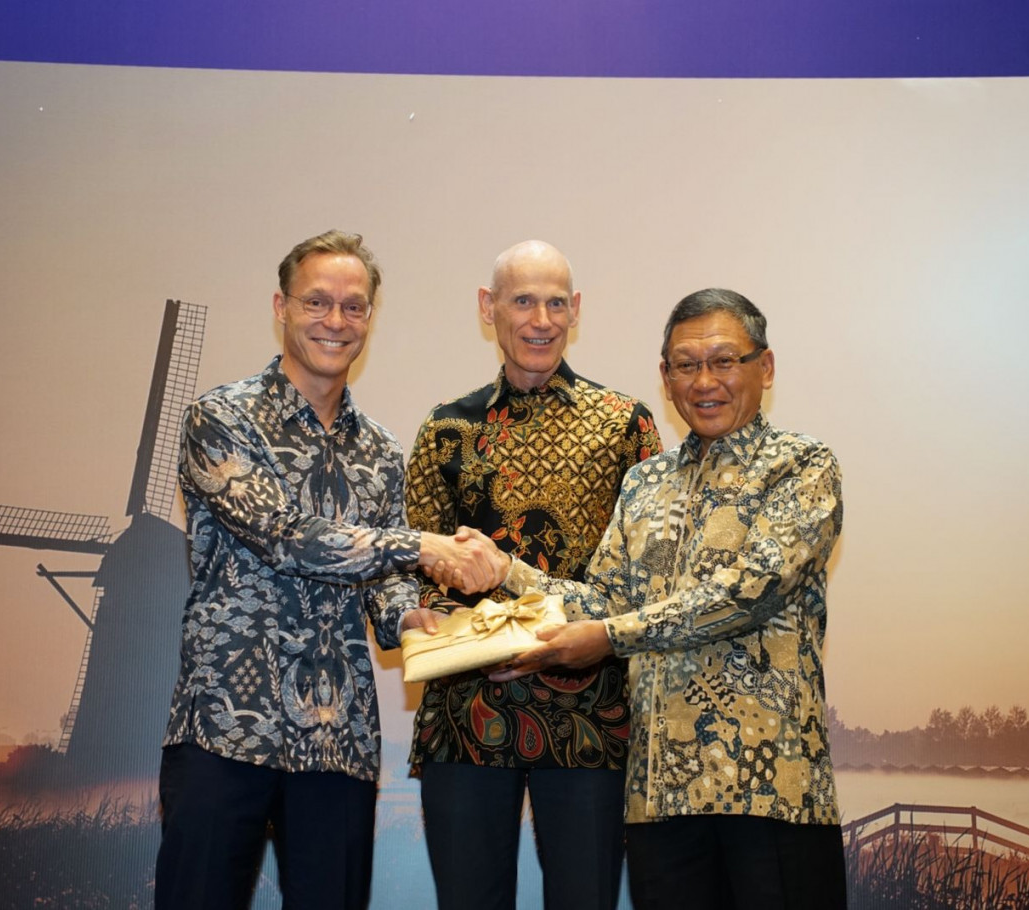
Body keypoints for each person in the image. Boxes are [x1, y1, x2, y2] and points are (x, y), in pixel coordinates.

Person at [155, 230, 499, 910]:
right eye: (318, 302)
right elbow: (286, 539)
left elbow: (382, 580)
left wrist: (411, 616)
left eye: (353, 306)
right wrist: (424, 546)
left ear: (370, 317)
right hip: (226, 728)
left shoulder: (380, 449)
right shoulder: (219, 419)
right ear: (280, 306)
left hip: (337, 741)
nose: (335, 322)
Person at [485, 288, 847, 909]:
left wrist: (609, 637)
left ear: (765, 366)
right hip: (659, 798)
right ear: (665, 377)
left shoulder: (803, 466)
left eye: (724, 361)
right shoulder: (644, 483)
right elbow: (602, 599)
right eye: (686, 365)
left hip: (771, 794)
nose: (705, 381)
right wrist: (507, 571)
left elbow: (745, 593)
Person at [404, 240, 663, 910]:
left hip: (592, 718)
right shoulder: (444, 430)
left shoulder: (626, 426)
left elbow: (647, 580)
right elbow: (418, 568)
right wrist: (437, 623)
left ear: (575, 312)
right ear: (489, 309)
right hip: (467, 713)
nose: (540, 318)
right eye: (523, 300)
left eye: (555, 302)